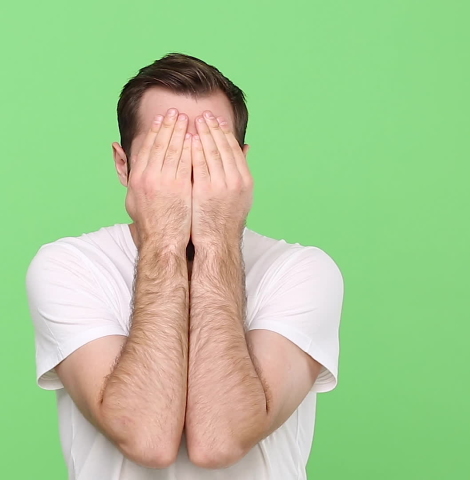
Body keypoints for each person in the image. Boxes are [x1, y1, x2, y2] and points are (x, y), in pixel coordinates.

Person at [25, 52, 344, 480]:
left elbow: (219, 442)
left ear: (242, 163)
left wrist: (215, 239)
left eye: (213, 153)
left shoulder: (302, 272)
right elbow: (147, 439)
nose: (190, 171)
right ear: (124, 165)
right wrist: (164, 241)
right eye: (166, 151)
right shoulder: (71, 267)